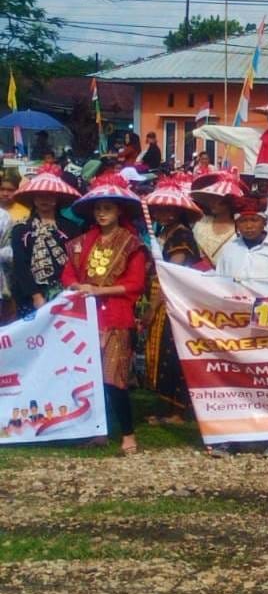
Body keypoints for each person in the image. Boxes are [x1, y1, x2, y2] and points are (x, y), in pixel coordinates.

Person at [61, 175, 149, 454]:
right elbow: (68, 274)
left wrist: (99, 290)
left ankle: (128, 435)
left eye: (107, 208)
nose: (101, 213)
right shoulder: (82, 242)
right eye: (98, 208)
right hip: (84, 315)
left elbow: (135, 284)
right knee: (87, 376)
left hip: (115, 316)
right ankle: (97, 431)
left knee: (114, 377)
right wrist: (77, 286)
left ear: (119, 211)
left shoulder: (131, 244)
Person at [144, 228, 205, 424]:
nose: (163, 214)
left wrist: (153, 307)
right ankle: (165, 408)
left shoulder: (181, 237)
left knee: (172, 354)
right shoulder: (165, 233)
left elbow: (169, 275)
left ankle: (177, 411)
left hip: (173, 300)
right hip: (164, 297)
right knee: (164, 355)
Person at [9, 169, 79, 317]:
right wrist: (36, 296)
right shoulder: (20, 229)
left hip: (66, 292)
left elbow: (76, 261)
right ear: (33, 198)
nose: (44, 199)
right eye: (40, 195)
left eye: (49, 195)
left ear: (57, 198)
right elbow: (20, 265)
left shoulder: (72, 228)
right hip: (30, 295)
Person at [214, 197, 268, 298]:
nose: (249, 226)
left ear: (264, 222)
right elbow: (220, 284)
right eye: (243, 221)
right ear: (237, 224)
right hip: (235, 305)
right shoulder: (229, 249)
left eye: (254, 220)